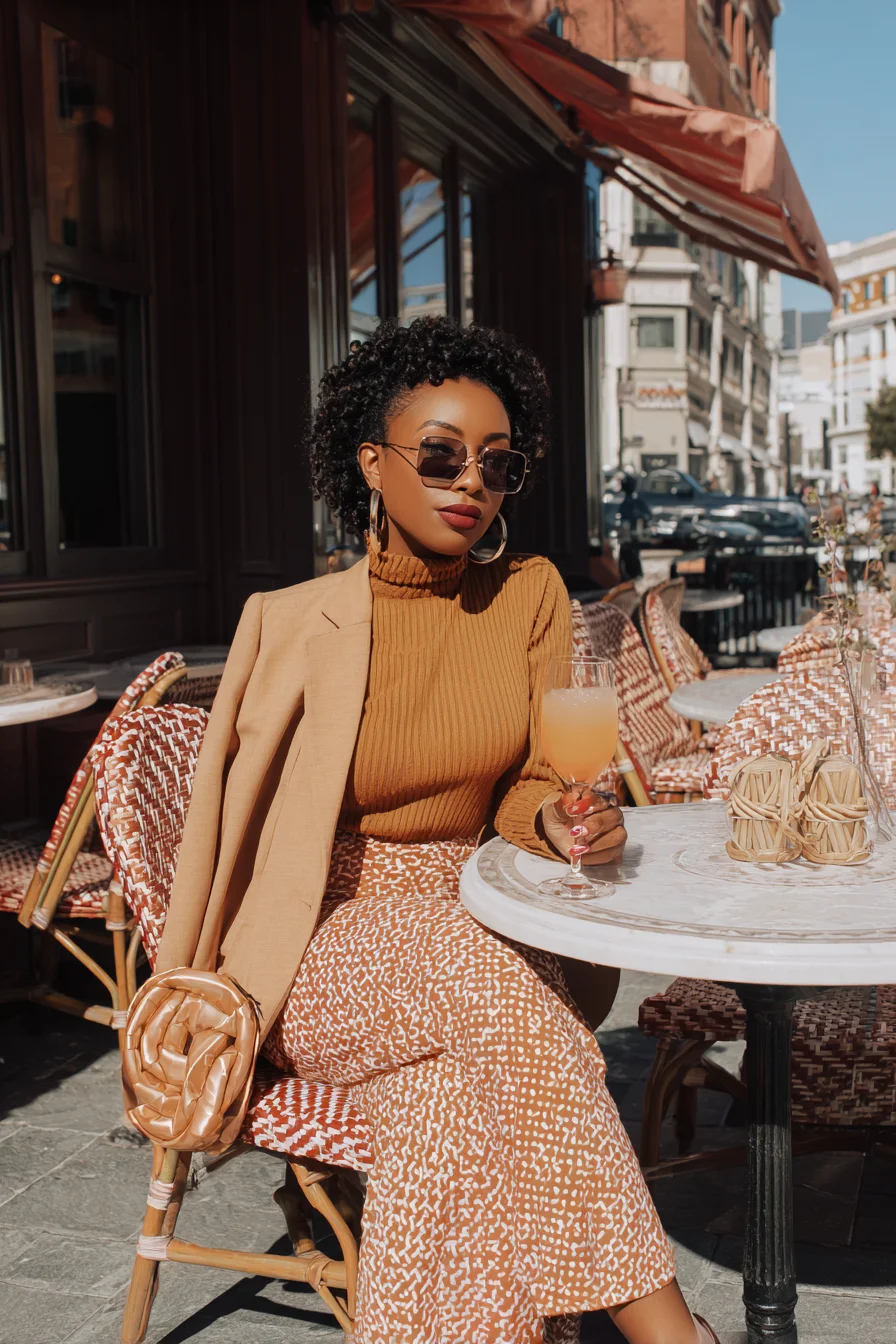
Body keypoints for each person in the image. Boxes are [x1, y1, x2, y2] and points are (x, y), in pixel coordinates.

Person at [157, 317, 719, 1344]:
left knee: (447, 1109)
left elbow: (534, 776)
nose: (472, 484)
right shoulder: (290, 619)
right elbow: (226, 832)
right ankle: (673, 1334)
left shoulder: (527, 595)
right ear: (371, 461)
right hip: (325, 938)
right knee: (497, 994)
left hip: (477, 907)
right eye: (440, 456)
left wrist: (554, 815)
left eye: (497, 464)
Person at [617, 473, 652, 579]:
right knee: (627, 554)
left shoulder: (633, 502)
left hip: (631, 535)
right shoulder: (630, 501)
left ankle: (632, 574)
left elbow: (646, 515)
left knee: (630, 554)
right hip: (628, 536)